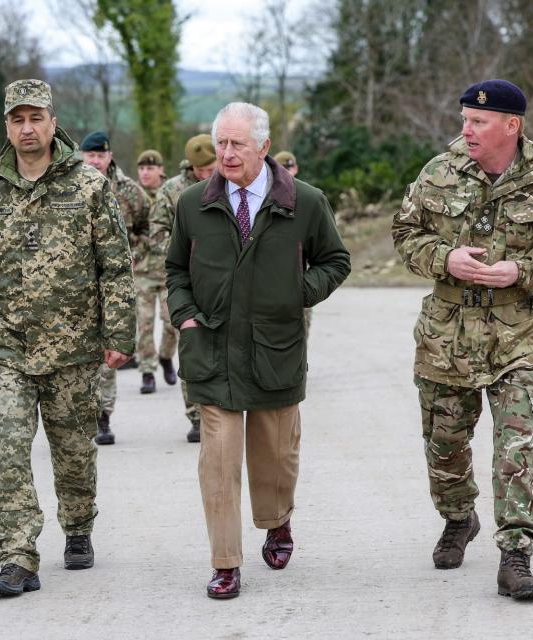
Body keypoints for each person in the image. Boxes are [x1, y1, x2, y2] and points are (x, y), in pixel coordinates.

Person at [392, 79, 533, 600]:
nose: (466, 129)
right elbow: (406, 234)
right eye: (464, 119)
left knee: (515, 446)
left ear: (511, 125)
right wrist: (443, 259)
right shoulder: (438, 171)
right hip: (445, 337)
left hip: (516, 336)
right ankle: (459, 517)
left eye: (477, 122)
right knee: (445, 445)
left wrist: (521, 270)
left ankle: (516, 554)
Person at [165, 103, 351, 599]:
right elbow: (175, 270)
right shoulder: (191, 204)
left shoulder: (305, 202)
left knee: (275, 458)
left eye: (237, 144)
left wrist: (296, 291)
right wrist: (184, 315)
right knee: (218, 462)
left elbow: (335, 260)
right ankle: (225, 562)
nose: (225, 153)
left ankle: (277, 521)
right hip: (212, 348)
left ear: (264, 148)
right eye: (220, 142)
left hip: (276, 348)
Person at [0, 80, 135, 597]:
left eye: (36, 118)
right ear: (7, 127)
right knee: (12, 446)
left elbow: (115, 266)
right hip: (8, 345)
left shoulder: (88, 186)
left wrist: (118, 332)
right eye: (17, 120)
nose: (27, 128)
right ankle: (17, 555)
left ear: (53, 122)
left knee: (74, 448)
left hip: (75, 345)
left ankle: (78, 526)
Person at [79, 131, 150, 441]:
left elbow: (150, 225)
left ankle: (103, 416)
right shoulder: (67, 187)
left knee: (109, 353)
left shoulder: (130, 191)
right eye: (90, 156)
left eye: (100, 156)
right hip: (76, 284)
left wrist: (135, 255)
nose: (95, 161)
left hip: (115, 284)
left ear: (109, 157)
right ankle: (77, 417)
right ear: (82, 156)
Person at [148, 134, 217, 443]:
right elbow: (157, 232)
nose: (208, 173)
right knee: (189, 342)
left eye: (212, 166)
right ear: (191, 166)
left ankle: (225, 407)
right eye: (202, 169)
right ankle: (196, 415)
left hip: (221, 280)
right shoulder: (171, 190)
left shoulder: (231, 183)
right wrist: (181, 252)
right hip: (186, 280)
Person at [133, 148, 177, 396]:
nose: (145, 172)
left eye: (150, 168)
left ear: (160, 170)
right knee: (145, 324)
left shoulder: (169, 193)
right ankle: (147, 371)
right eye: (141, 168)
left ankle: (166, 356)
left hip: (168, 271)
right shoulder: (134, 196)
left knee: (172, 322)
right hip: (142, 271)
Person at [274, 150, 313, 343]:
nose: (287, 172)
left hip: (299, 279)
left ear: (296, 169)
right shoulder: (267, 196)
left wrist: (310, 285)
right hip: (272, 281)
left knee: (301, 335)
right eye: (282, 168)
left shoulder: (308, 198)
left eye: (289, 167)